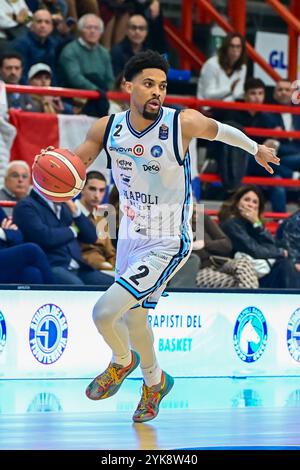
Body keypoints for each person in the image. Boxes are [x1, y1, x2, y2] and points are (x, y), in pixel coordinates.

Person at [33, 50, 279, 423]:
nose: (157, 93)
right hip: (130, 236)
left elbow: (222, 131)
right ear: (127, 86)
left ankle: (122, 361)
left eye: (162, 86)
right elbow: (77, 163)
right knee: (134, 320)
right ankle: (155, 383)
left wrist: (256, 148)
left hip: (168, 238)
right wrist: (57, 164)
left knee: (104, 312)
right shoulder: (107, 127)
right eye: (148, 84)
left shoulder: (182, 123)